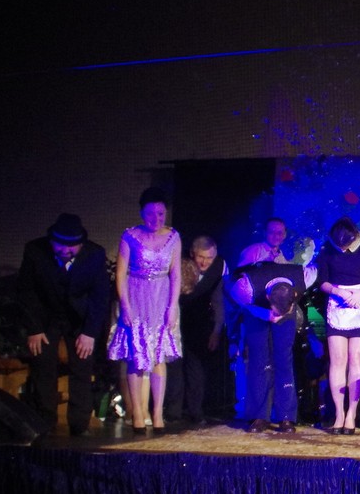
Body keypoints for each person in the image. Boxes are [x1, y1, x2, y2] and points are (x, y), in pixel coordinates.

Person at [17, 213, 110, 436]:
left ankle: (79, 424)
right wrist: (34, 329)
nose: (66, 251)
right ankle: (45, 422)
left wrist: (89, 333)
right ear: (52, 241)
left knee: (82, 367)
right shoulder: (35, 251)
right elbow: (27, 292)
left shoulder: (95, 254)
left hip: (79, 319)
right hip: (46, 317)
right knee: (43, 366)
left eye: (72, 247)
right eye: (61, 245)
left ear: (81, 244)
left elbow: (100, 297)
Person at [107, 187, 183, 435]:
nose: (156, 218)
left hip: (161, 298)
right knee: (136, 357)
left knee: (159, 357)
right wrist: (125, 306)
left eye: (160, 213)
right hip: (136, 297)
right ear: (142, 213)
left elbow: (176, 274)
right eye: (151, 213)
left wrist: (172, 307)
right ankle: (138, 414)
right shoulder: (130, 235)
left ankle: (157, 413)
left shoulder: (173, 237)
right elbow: (120, 273)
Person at [228, 260, 315, 433]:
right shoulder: (246, 287)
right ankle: (259, 416)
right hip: (255, 308)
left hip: (286, 311)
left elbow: (316, 267)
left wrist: (283, 313)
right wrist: (265, 314)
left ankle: (286, 416)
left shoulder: (305, 276)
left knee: (284, 360)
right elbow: (240, 301)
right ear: (268, 298)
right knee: (259, 361)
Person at [316, 217, 360, 435]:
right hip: (338, 304)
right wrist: (338, 292)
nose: (343, 248)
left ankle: (352, 414)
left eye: (346, 245)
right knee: (338, 360)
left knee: (357, 359)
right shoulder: (327, 248)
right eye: (340, 245)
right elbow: (322, 281)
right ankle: (339, 413)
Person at [167, 235, 228, 426]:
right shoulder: (179, 263)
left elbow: (218, 300)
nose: (205, 262)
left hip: (200, 322)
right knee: (174, 366)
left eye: (209, 257)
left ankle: (196, 412)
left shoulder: (219, 266)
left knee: (197, 370)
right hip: (175, 319)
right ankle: (173, 413)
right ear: (193, 254)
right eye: (201, 257)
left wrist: (216, 330)